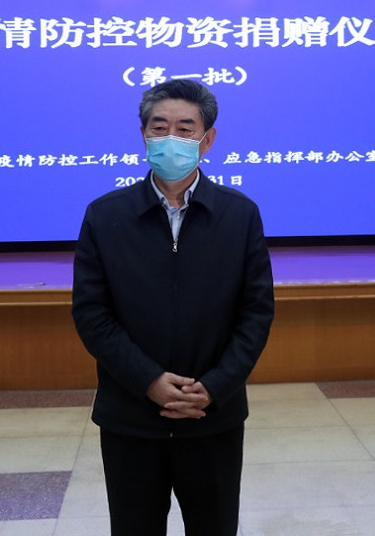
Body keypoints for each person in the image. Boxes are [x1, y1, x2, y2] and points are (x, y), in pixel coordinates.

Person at [71, 79, 275, 536]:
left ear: (208, 139)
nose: (171, 138)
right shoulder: (105, 215)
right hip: (130, 416)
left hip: (212, 416)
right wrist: (149, 381)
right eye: (159, 127)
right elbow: (92, 313)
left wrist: (214, 387)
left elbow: (256, 312)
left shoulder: (239, 215)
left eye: (185, 128)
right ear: (143, 134)